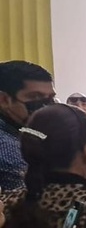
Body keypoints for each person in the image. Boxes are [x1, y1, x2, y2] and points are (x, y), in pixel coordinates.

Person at [0, 61, 55, 191]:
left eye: (51, 98)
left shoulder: (26, 132)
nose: (46, 105)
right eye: (35, 97)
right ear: (4, 100)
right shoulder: (8, 147)